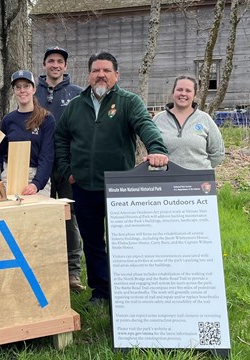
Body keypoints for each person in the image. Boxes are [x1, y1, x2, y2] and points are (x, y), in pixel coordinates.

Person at [54, 51, 169, 304]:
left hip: (120, 186)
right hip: (83, 186)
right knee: (93, 242)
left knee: (123, 243)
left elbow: (145, 126)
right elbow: (61, 138)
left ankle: (127, 291)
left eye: (106, 70)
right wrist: (68, 171)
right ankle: (101, 291)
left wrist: (157, 149)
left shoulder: (129, 102)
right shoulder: (75, 105)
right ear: (89, 75)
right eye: (96, 70)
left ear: (116, 75)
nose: (101, 75)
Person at [35, 46, 86, 292]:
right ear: (44, 65)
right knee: (40, 219)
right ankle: (43, 268)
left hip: (68, 166)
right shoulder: (32, 94)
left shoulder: (77, 94)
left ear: (65, 67)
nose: (55, 65)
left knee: (69, 217)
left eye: (60, 61)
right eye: (51, 61)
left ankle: (72, 272)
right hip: (40, 168)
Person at [0, 70, 55, 197]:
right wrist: (0, 177)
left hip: (35, 177)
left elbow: (47, 155)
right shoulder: (8, 120)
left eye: (26, 86)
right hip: (10, 176)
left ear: (34, 89)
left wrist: (37, 183)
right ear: (14, 92)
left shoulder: (46, 119)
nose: (22, 90)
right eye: (18, 87)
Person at [153, 75, 225, 170]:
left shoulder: (205, 119)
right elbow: (150, 150)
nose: (183, 93)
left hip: (197, 181)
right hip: (166, 180)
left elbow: (218, 153)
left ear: (195, 94)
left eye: (188, 91)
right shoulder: (158, 119)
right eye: (179, 89)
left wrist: (201, 169)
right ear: (173, 92)